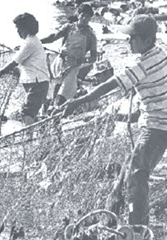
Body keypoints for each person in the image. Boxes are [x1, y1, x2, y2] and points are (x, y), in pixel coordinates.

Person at [61, 14, 167, 226]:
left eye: (133, 38)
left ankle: (137, 227)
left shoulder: (142, 64)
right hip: (155, 121)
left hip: (158, 126)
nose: (129, 41)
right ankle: (109, 218)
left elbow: (111, 84)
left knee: (137, 174)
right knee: (127, 171)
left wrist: (79, 100)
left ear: (147, 40)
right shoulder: (160, 52)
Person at [0, 13, 49, 126]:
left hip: (37, 84)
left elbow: (14, 63)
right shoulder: (31, 41)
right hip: (37, 83)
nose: (18, 31)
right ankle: (37, 133)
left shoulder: (30, 43)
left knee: (27, 113)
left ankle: (29, 140)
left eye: (19, 29)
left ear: (27, 28)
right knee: (30, 113)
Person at [41, 4, 97, 107]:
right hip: (60, 62)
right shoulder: (69, 27)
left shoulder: (91, 35)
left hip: (74, 66)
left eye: (88, 17)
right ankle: (50, 111)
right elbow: (53, 37)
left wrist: (81, 61)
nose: (84, 18)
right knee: (55, 88)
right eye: (83, 15)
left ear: (90, 18)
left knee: (64, 94)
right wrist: (39, 42)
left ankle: (56, 111)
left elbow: (94, 57)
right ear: (78, 14)